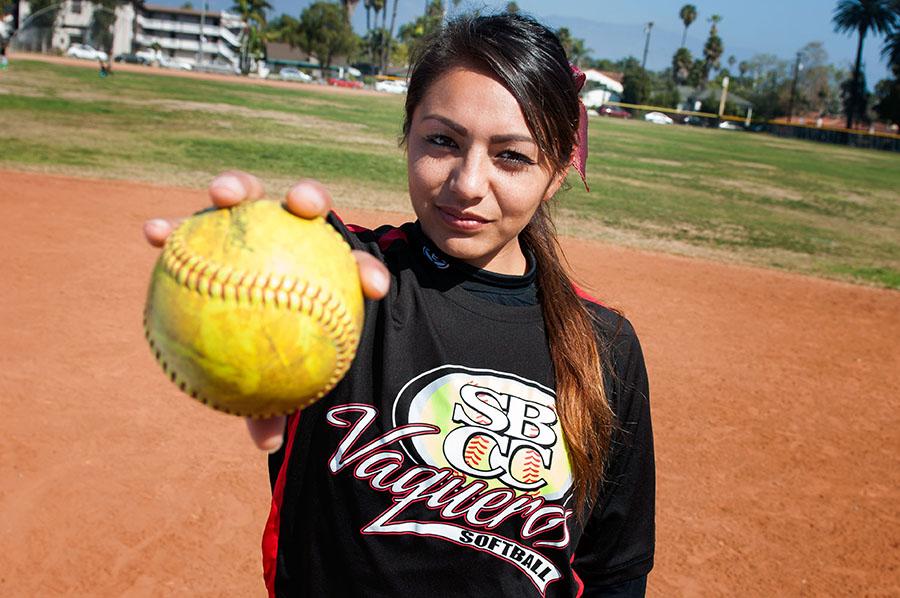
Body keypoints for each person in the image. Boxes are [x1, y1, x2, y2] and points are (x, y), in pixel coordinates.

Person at [144, 13, 654, 597]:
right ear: (407, 132)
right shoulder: (347, 282)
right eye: (443, 141)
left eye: (511, 156)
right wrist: (247, 243)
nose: (467, 183)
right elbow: (289, 258)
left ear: (558, 170)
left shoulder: (604, 344)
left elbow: (615, 569)